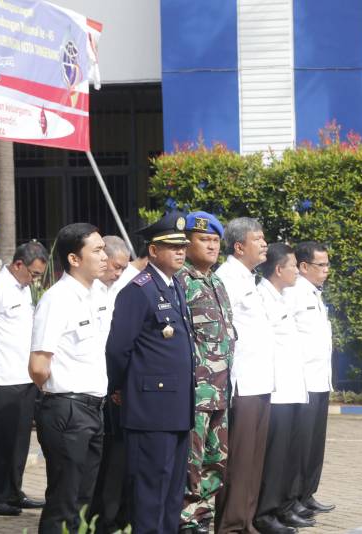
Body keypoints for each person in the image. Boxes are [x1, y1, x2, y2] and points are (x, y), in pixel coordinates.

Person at [106, 212, 195, 534]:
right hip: (151, 408)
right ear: (154, 251)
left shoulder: (174, 287)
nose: (180, 252)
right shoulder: (138, 290)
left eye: (182, 246)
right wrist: (119, 387)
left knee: (172, 491)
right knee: (150, 491)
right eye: (172, 247)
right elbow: (118, 349)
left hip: (177, 407)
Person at [29, 223, 109, 534]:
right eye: (97, 250)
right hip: (67, 407)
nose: (104, 256)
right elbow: (38, 364)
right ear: (74, 259)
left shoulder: (97, 294)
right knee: (64, 501)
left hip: (93, 407)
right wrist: (59, 394)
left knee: (84, 501)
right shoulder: (57, 298)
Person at [0, 241, 48, 516]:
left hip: (23, 375)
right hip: (2, 377)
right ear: (18, 265)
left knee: (19, 443)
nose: (35, 280)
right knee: (0, 442)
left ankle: (12, 492)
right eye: (34, 274)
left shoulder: (23, 288)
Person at [175, 212, 235, 534]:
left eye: (215, 241)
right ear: (187, 243)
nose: (212, 246)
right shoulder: (180, 281)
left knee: (216, 459)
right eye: (205, 240)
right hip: (194, 394)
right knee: (190, 462)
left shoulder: (216, 282)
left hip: (220, 391)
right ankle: (185, 520)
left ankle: (202, 517)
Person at [215, 217, 273, 534]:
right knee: (238, 462)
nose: (265, 244)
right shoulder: (226, 278)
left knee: (254, 461)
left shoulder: (248, 278)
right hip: (242, 383)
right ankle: (231, 525)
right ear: (239, 246)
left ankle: (246, 521)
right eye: (258, 239)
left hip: (261, 381)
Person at [254, 243, 310, 534]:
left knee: (285, 456)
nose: (297, 272)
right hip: (275, 392)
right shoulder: (261, 297)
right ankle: (264, 514)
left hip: (291, 389)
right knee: (272, 460)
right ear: (278, 269)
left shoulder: (282, 296)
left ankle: (278, 510)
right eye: (292, 266)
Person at [88, 235, 134, 533]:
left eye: (122, 268)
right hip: (92, 391)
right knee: (100, 463)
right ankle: (99, 518)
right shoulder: (87, 292)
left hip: (112, 387)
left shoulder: (113, 291)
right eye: (115, 266)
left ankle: (111, 516)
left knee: (116, 460)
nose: (118, 273)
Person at [286, 241, 335, 518]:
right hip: (302, 380)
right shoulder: (293, 292)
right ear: (304, 266)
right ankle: (292, 498)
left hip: (319, 379)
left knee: (315, 444)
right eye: (322, 264)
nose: (326, 270)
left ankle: (307, 493)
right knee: (300, 446)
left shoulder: (315, 293)